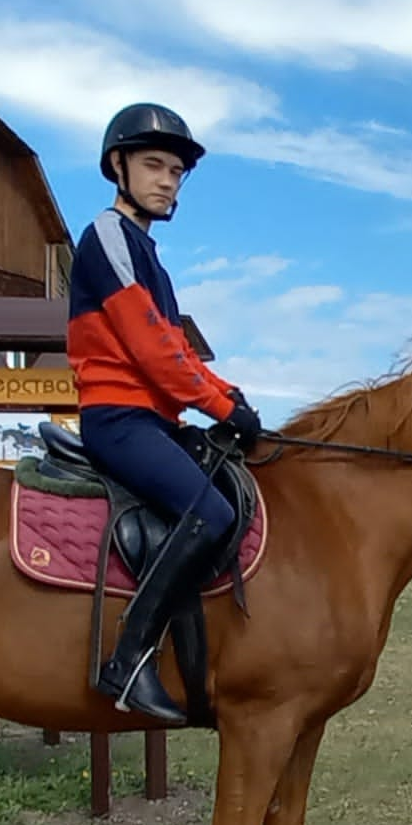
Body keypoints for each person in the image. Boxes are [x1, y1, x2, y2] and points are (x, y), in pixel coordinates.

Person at [67, 102, 263, 725]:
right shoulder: (108, 237)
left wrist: (233, 399)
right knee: (209, 513)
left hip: (155, 420)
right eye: (154, 165)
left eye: (176, 172)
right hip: (118, 419)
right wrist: (218, 404)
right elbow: (150, 346)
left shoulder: (151, 257)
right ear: (117, 166)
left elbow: (177, 352)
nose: (167, 180)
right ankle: (128, 660)